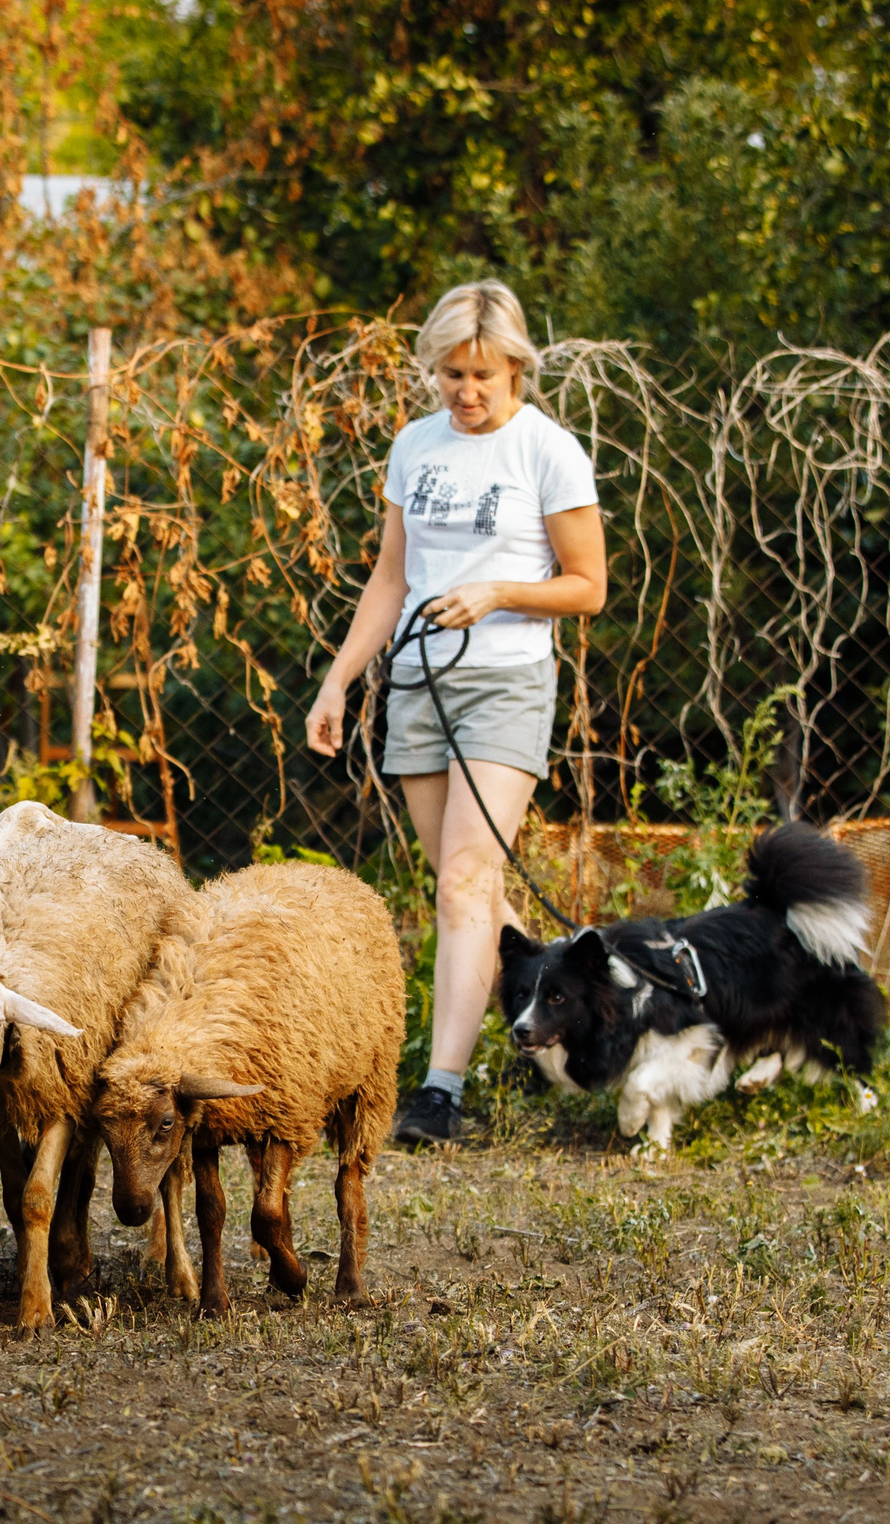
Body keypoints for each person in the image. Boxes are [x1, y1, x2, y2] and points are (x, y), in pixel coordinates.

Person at [304, 281, 607, 1147]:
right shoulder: (415, 445)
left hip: (506, 684)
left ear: (516, 367)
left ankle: (439, 1090)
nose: (466, 392)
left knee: (464, 883)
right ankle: (561, 1015)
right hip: (418, 682)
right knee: (470, 890)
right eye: (450, 375)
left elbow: (588, 586)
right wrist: (339, 680)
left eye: (482, 375)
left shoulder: (548, 451)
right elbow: (392, 578)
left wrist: (498, 591)